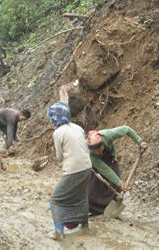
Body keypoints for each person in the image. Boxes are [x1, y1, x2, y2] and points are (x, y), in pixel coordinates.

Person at [46, 86, 92, 241]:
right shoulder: (77, 127)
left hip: (73, 170)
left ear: (55, 118)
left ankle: (58, 232)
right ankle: (84, 226)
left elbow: (59, 157)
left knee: (56, 200)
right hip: (87, 167)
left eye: (52, 118)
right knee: (81, 197)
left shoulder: (58, 133)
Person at [86, 126, 148, 216]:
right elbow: (105, 170)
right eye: (94, 150)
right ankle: (95, 208)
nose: (97, 152)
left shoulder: (108, 134)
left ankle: (110, 206)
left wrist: (140, 141)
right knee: (94, 185)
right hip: (98, 163)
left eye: (99, 149)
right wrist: (120, 182)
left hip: (110, 157)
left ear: (102, 143)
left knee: (116, 186)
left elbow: (126, 129)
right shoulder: (91, 155)